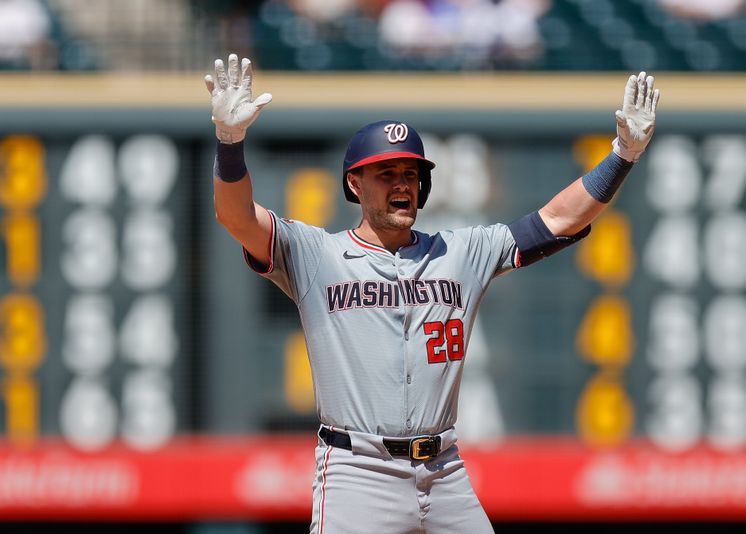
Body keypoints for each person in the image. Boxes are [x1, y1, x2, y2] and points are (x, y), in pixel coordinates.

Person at [204, 54, 659, 534]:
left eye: (410, 174)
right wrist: (229, 144)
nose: (402, 183)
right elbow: (237, 217)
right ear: (354, 185)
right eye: (386, 173)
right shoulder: (317, 255)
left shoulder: (460, 252)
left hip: (444, 471)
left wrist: (622, 157)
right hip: (358, 471)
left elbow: (558, 220)